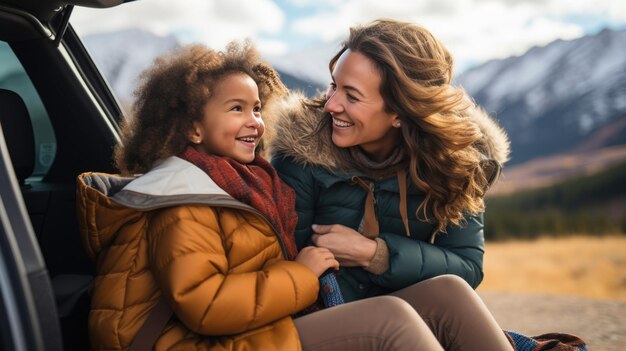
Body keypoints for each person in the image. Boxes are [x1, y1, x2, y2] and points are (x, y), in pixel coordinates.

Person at [76, 42, 455, 351]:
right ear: (192, 128)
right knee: (390, 321)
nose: (255, 121)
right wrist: (302, 275)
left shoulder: (243, 184)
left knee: (447, 293)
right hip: (190, 341)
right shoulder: (183, 201)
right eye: (236, 109)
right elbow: (205, 306)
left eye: (257, 108)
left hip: (245, 328)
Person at [270, 18, 514, 350]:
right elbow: (280, 271)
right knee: (391, 315)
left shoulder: (454, 164)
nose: (331, 105)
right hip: (312, 319)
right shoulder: (301, 158)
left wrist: (377, 254)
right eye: (333, 86)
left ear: (400, 112)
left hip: (399, 311)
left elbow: (468, 267)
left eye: (351, 96)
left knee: (450, 292)